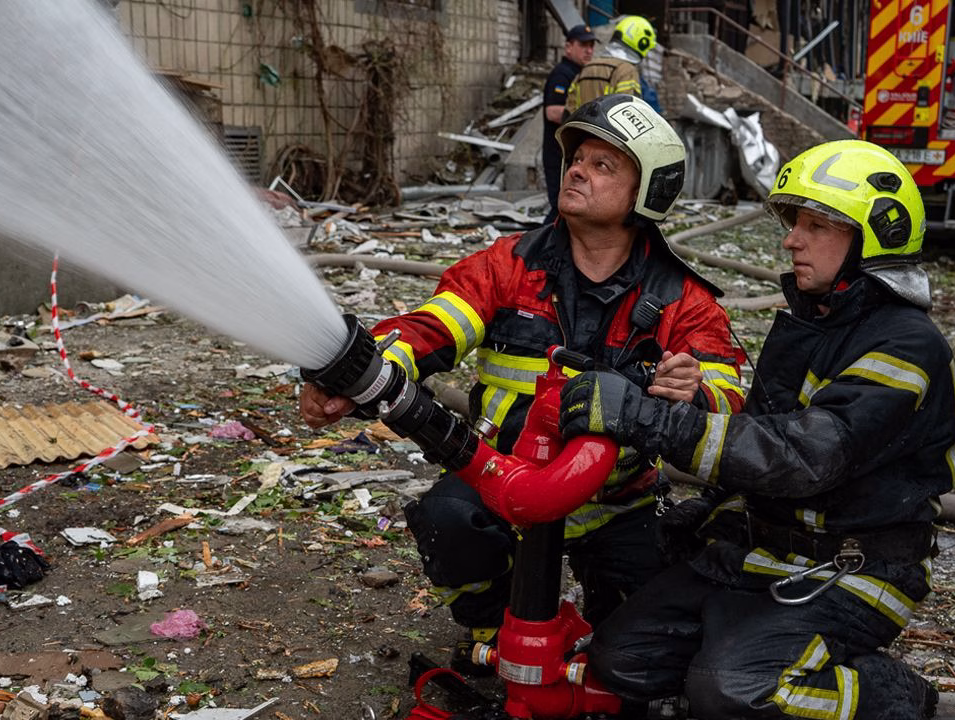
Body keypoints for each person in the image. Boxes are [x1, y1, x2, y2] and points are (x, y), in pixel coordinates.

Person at [557, 139, 955, 720]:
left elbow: (807, 456)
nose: (792, 242)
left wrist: (653, 422)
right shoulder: (811, 323)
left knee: (733, 689)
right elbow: (759, 434)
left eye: (815, 225)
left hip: (855, 568)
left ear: (874, 237)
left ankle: (888, 705)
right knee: (620, 661)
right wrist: (710, 507)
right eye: (793, 223)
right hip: (760, 550)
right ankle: (747, 652)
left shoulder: (906, 346)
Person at [299, 94, 745, 665]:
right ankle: (493, 626)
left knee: (643, 652)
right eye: (577, 157)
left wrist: (697, 390)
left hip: (617, 500)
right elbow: (429, 329)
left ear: (647, 194)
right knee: (448, 520)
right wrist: (353, 377)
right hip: (501, 479)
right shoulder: (507, 266)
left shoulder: (685, 300)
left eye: (603, 164)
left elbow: (730, 398)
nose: (578, 169)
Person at [542, 24, 598, 224]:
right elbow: (553, 112)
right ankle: (537, 250)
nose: (589, 50)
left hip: (572, 155)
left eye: (591, 45)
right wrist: (591, 119)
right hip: (559, 154)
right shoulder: (563, 74)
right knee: (561, 209)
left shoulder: (581, 73)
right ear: (568, 47)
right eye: (583, 45)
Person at [564, 15, 657, 115]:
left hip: (580, 130)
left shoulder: (586, 68)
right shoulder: (627, 70)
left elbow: (569, 111)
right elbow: (629, 113)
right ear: (642, 43)